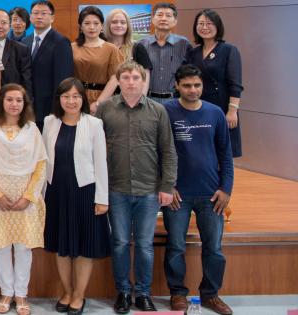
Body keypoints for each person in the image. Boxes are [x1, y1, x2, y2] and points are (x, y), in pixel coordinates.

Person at [96, 61, 176, 314]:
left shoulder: (158, 111)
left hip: (148, 189)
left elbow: (168, 151)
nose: (131, 82)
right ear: (118, 81)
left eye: (135, 78)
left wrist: (167, 186)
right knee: (119, 242)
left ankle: (143, 293)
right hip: (115, 188)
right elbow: (93, 149)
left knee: (144, 244)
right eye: (126, 78)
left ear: (143, 81)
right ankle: (122, 291)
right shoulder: (105, 109)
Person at [163, 65, 234, 315]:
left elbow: (226, 154)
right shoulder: (166, 111)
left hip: (211, 195)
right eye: (187, 85)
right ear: (177, 86)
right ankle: (177, 293)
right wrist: (167, 186)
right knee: (176, 246)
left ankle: (210, 295)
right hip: (177, 195)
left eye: (197, 85)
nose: (192, 90)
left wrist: (226, 189)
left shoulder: (215, 113)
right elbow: (158, 152)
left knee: (214, 248)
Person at [42, 79, 110, 315]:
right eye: (66, 96)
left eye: (76, 96)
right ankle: (67, 291)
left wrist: (102, 198)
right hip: (56, 192)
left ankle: (79, 295)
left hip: (85, 191)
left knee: (83, 246)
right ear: (59, 99)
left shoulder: (94, 124)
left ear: (83, 99)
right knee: (60, 245)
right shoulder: (49, 122)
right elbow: (44, 160)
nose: (71, 101)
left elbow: (101, 162)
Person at [0, 84, 46, 315]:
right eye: (9, 99)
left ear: (24, 104)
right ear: (1, 102)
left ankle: (21, 294)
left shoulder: (32, 129)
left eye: (19, 100)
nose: (14, 104)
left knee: (24, 248)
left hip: (25, 198)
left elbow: (41, 165)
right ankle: (6, 292)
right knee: (2, 247)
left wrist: (28, 196)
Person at [186, 9, 243, 157]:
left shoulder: (228, 50)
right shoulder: (193, 52)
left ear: (218, 26)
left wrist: (232, 111)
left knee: (222, 152)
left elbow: (235, 84)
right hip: (197, 106)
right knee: (201, 151)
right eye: (201, 23)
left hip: (222, 107)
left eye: (209, 23)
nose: (204, 27)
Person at [26, 0, 74, 126]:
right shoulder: (25, 41)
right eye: (35, 13)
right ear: (30, 17)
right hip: (27, 107)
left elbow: (63, 79)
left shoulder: (61, 42)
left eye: (44, 13)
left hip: (49, 108)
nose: (39, 16)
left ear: (52, 18)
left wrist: (56, 109)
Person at [136, 2, 189, 104]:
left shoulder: (184, 44)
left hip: (175, 101)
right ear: (152, 19)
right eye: (160, 15)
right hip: (147, 100)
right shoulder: (141, 44)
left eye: (168, 15)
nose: (163, 18)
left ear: (175, 21)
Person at [70, 6, 121, 107]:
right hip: (75, 96)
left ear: (102, 26)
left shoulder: (111, 49)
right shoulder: (71, 47)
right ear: (80, 27)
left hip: (102, 98)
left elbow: (115, 78)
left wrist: (99, 103)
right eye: (87, 23)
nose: (92, 27)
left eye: (96, 23)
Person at [0, 9, 32, 96]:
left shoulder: (21, 50)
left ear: (9, 26)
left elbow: (26, 82)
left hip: (10, 101)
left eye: (4, 22)